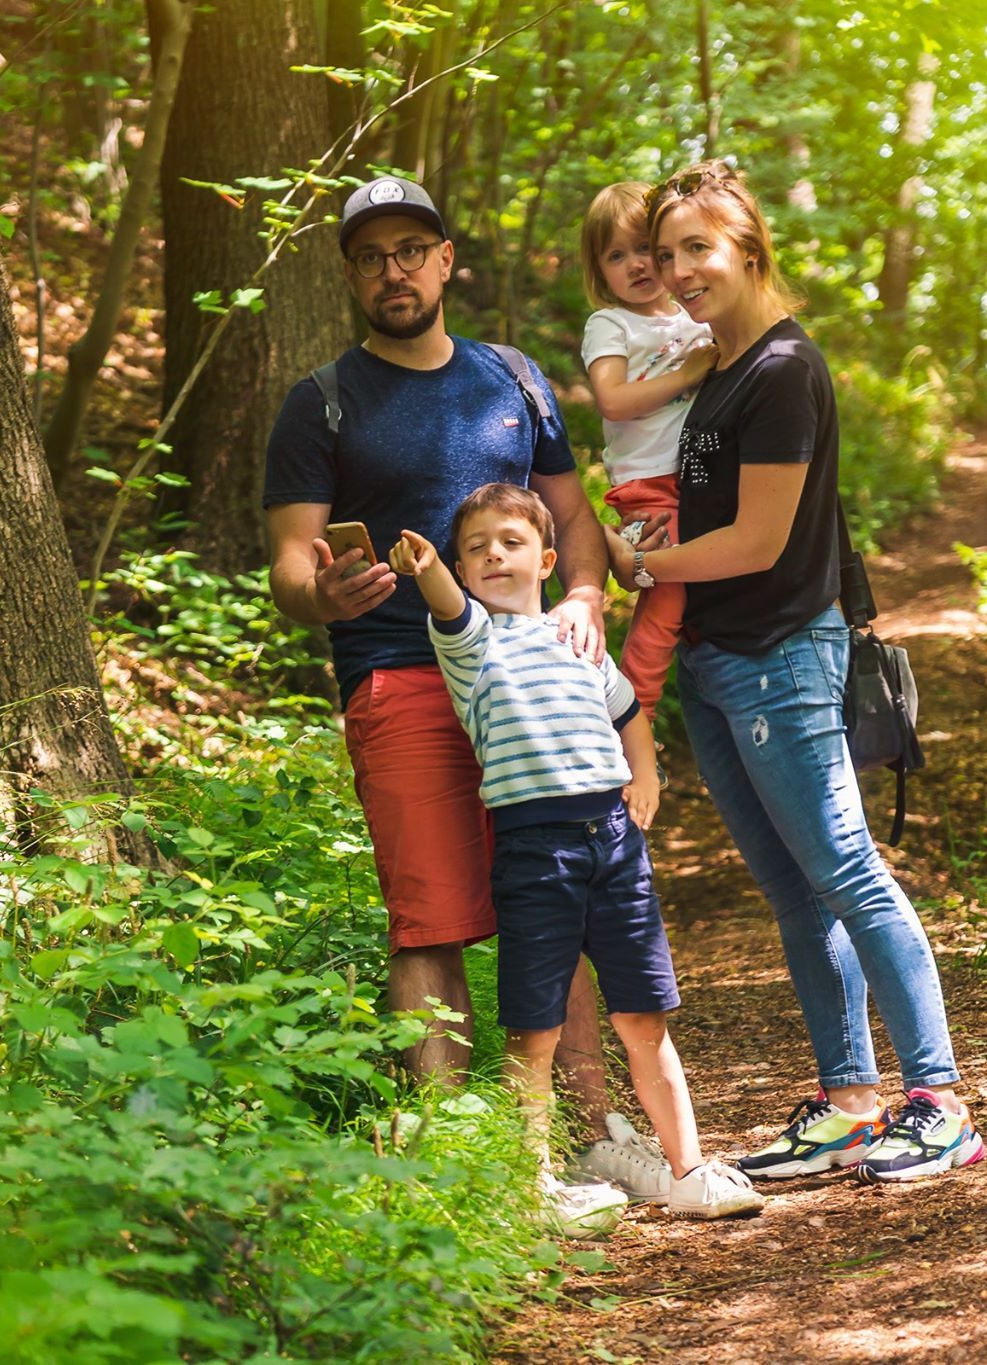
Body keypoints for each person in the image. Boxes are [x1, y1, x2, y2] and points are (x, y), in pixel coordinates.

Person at [262, 174, 670, 1199]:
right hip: (400, 677)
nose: (390, 271)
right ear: (350, 275)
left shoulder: (512, 380)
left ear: (445, 261)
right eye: (369, 256)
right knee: (430, 921)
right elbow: (287, 568)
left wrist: (582, 594)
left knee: (560, 903)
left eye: (410, 250)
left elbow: (571, 516)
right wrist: (329, 594)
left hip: (538, 685)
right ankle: (465, 1166)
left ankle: (588, 1135)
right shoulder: (319, 403)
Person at [606, 160, 985, 1182]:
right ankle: (848, 1099)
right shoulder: (721, 368)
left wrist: (636, 562)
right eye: (665, 253)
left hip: (777, 654)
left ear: (748, 247)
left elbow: (759, 539)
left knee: (847, 873)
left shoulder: (779, 370)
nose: (679, 271)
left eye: (698, 249)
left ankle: (936, 1099)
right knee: (792, 891)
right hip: (716, 661)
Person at [386, 486, 763, 1220]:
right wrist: (427, 563)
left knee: (645, 1014)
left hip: (614, 844)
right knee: (536, 1027)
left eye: (511, 541)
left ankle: (688, 1170)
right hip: (535, 848)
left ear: (547, 559)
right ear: (464, 571)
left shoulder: (578, 639)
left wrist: (645, 774)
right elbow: (443, 601)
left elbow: (629, 715)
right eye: (476, 548)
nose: (494, 553)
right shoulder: (472, 644)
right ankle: (533, 1188)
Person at [579, 181, 715, 719]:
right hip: (649, 482)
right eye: (616, 255)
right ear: (599, 270)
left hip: (698, 475)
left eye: (645, 249)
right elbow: (612, 400)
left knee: (703, 588)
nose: (635, 265)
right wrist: (687, 373)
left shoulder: (693, 317)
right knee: (668, 594)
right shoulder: (611, 324)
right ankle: (633, 712)